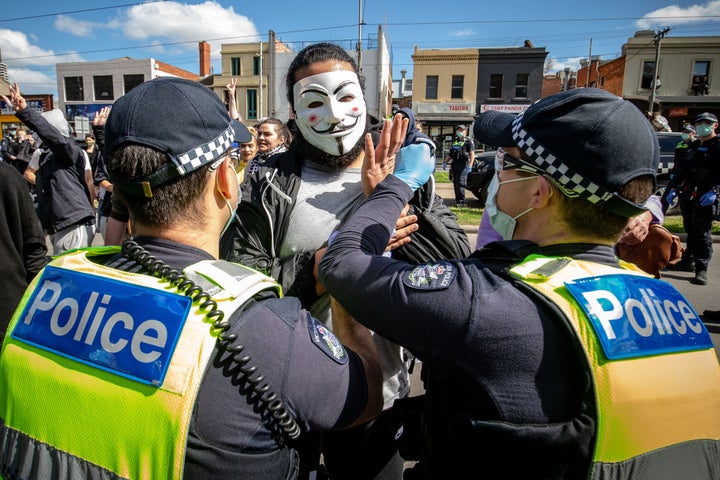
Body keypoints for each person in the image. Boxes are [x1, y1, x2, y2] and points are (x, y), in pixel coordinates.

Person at [319, 88, 720, 479]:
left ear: (539, 191)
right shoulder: (673, 307)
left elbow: (342, 263)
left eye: (506, 162)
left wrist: (398, 184)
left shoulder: (485, 299)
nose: (497, 172)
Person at [0, 76, 383, 479]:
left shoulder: (51, 286)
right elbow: (368, 394)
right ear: (224, 180)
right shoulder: (264, 331)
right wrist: (344, 284)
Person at [220, 42, 471, 480]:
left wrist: (396, 196)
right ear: (293, 113)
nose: (335, 115)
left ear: (364, 97)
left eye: (345, 96)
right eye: (315, 102)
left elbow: (456, 268)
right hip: (285, 387)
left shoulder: (405, 172)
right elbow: (239, 277)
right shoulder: (266, 181)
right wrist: (322, 266)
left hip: (379, 388)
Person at [3, 83, 96, 255]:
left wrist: (25, 112)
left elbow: (54, 137)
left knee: (70, 274)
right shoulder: (46, 155)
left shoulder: (69, 151)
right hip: (60, 223)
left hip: (72, 222)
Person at [663, 112, 720, 285]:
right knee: (690, 229)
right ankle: (688, 261)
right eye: (700, 123)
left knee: (702, 233)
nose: (703, 126)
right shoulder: (692, 147)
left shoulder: (718, 146)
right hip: (689, 195)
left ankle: (701, 269)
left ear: (715, 125)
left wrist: (715, 191)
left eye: (707, 123)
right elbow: (681, 171)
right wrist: (672, 188)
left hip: (706, 196)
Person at [0, 161, 48, 341]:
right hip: (10, 314)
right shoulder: (7, 176)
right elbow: (34, 248)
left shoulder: (7, 177)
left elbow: (33, 250)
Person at [661, 124, 696, 213]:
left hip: (688, 177)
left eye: (687, 132)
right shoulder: (680, 144)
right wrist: (673, 172)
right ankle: (659, 217)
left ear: (693, 133)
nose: (685, 134)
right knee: (665, 197)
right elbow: (677, 161)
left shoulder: (695, 144)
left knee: (686, 200)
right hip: (677, 174)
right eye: (684, 132)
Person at [445, 124, 474, 206]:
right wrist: (445, 162)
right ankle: (457, 201)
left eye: (462, 130)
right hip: (455, 163)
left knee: (461, 183)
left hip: (463, 164)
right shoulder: (456, 140)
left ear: (466, 131)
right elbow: (451, 154)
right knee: (455, 182)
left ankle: (462, 202)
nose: (460, 132)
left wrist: (470, 165)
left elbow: (472, 154)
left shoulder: (468, 141)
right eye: (459, 130)